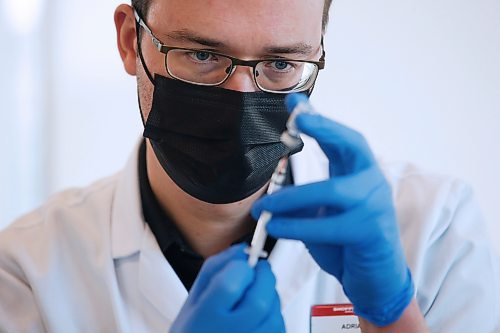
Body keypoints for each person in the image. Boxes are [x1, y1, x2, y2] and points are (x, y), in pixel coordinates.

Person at [0, 0, 499, 332]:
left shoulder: (436, 231)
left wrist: (394, 315)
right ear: (132, 41)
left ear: (316, 55)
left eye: (281, 65)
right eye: (200, 54)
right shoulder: (28, 270)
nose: (242, 96)